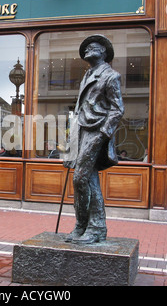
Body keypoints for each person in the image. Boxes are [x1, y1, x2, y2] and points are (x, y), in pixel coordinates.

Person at [63, 34, 124, 245]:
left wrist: (103, 134)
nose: (88, 49)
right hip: (80, 131)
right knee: (89, 179)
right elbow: (80, 108)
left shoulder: (111, 76)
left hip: (96, 131)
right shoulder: (87, 74)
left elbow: (117, 109)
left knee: (80, 178)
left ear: (104, 52)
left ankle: (89, 226)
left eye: (94, 46)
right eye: (86, 48)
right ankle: (88, 227)